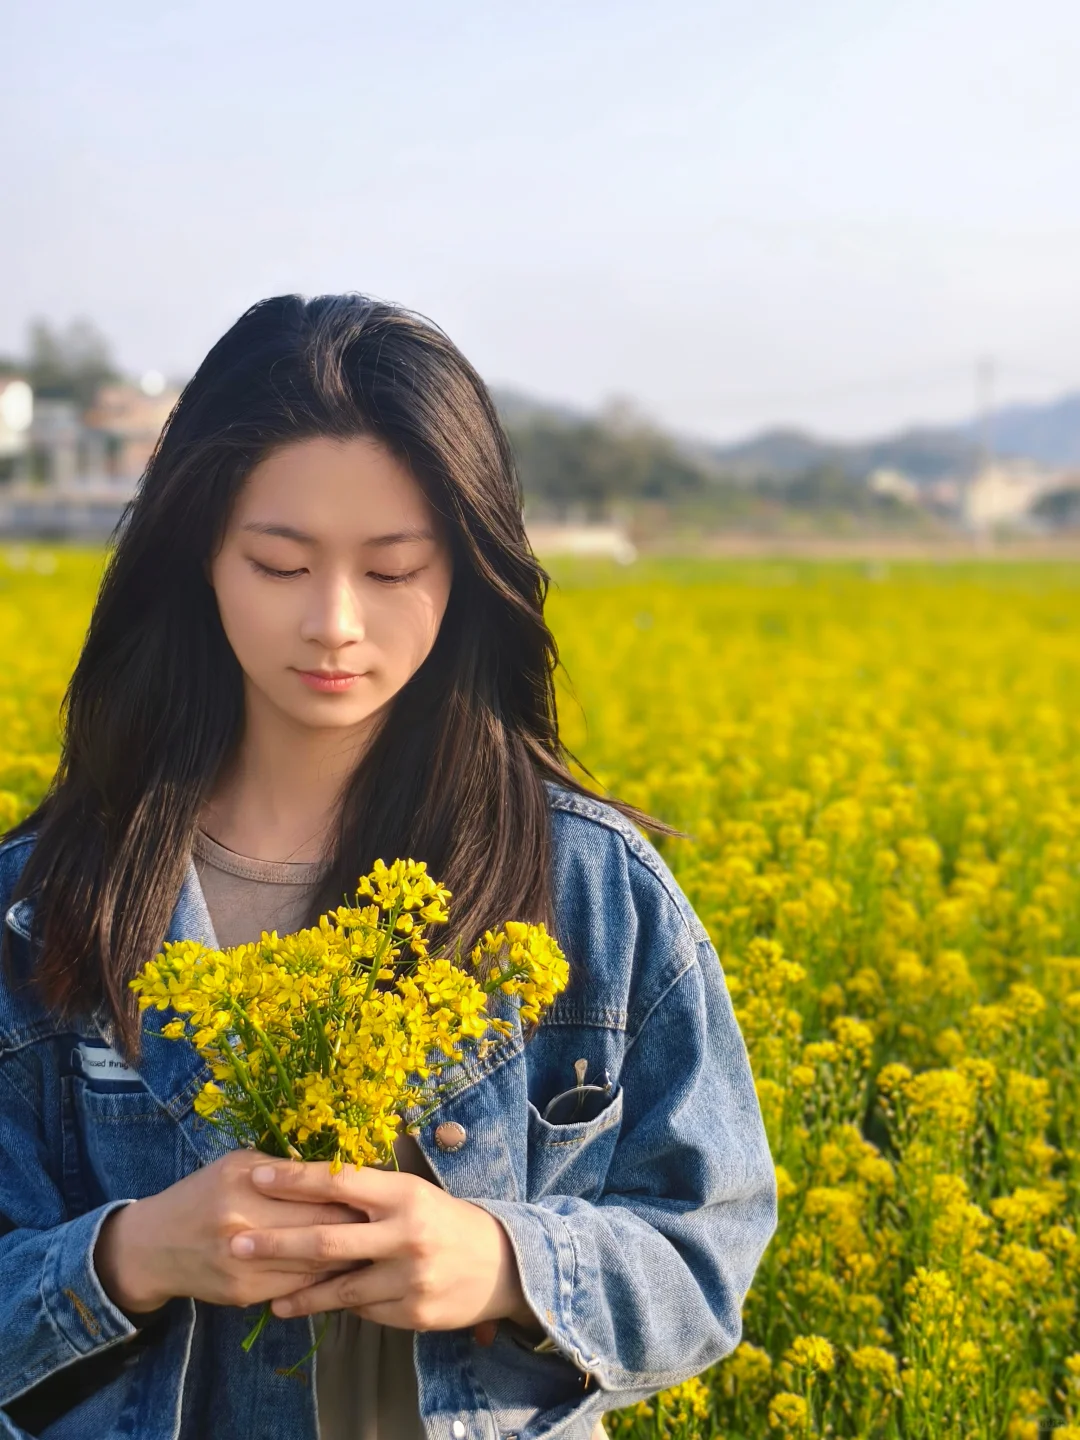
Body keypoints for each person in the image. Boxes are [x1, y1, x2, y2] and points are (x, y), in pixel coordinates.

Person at [0, 293, 778, 1440]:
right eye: (277, 564)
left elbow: (710, 1250)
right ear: (197, 561)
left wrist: (508, 1265)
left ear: (466, 572)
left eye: (394, 568)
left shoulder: (588, 890)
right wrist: (132, 1255)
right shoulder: (47, 904)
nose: (334, 623)